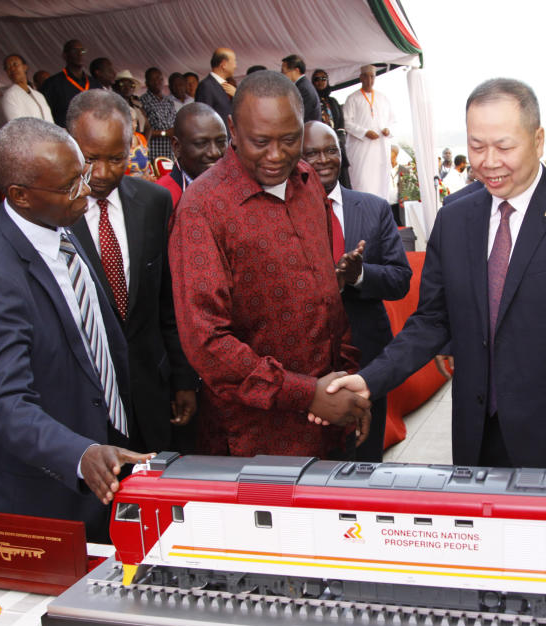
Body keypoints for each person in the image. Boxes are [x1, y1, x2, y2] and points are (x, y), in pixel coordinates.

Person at [320, 78, 546, 470]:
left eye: (504, 146)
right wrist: (369, 380)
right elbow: (432, 321)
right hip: (477, 437)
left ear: (537, 140)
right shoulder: (455, 219)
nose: (488, 161)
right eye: (476, 146)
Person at [0, 117, 153, 542]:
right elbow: (4, 404)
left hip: (103, 465)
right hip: (44, 498)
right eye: (71, 185)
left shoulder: (60, 224)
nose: (85, 190)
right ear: (20, 196)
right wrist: (79, 453)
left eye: (81, 174)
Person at [169, 70, 371, 458]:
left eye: (289, 140)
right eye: (260, 142)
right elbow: (206, 342)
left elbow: (326, 294)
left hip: (328, 420)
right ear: (233, 128)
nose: (276, 155)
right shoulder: (202, 209)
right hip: (255, 438)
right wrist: (305, 394)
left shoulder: (309, 181)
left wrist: (346, 384)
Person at [65, 90, 198, 454]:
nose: (104, 173)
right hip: (85, 402)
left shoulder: (153, 202)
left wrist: (182, 379)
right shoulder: (53, 215)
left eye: (117, 158)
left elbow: (166, 303)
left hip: (150, 394)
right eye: (90, 159)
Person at [302, 120, 411, 462]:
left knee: (366, 461)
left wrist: (359, 274)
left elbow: (400, 279)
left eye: (331, 150)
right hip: (307, 366)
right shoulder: (279, 213)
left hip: (366, 358)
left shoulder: (374, 208)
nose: (323, 159)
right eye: (312, 153)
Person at [157, 102, 227, 207]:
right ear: (177, 147)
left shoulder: (239, 188)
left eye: (221, 142)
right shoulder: (161, 198)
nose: (214, 153)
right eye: (201, 143)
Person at [344, 65, 395, 200]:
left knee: (381, 184)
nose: (369, 79)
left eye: (372, 76)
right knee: (363, 183)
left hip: (380, 150)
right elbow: (347, 123)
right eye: (366, 76)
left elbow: (392, 121)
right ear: (361, 77)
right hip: (361, 150)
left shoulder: (382, 98)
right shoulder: (352, 98)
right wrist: (365, 132)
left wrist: (387, 130)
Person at [41, 40, 93, 128]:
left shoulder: (94, 84)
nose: (79, 54)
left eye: (82, 51)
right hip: (65, 136)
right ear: (65, 55)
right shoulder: (52, 84)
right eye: (74, 50)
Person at [1, 54, 54, 123]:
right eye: (8, 67)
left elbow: (50, 121)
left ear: (25, 67)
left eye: (15, 64)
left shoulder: (39, 95)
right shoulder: (9, 95)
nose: (12, 69)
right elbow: (17, 125)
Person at [140, 67, 177, 161]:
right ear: (146, 83)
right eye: (153, 79)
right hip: (153, 154)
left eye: (159, 78)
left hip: (170, 153)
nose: (157, 82)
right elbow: (142, 131)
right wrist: (164, 133)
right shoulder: (142, 101)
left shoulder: (169, 102)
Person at [195, 47, 236, 128]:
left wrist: (237, 95)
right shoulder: (206, 86)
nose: (235, 66)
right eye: (234, 61)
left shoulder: (228, 86)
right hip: (217, 138)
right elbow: (203, 119)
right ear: (224, 64)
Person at [281, 54, 321, 123]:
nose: (282, 75)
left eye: (284, 72)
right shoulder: (302, 85)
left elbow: (297, 116)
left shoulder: (303, 89)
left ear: (296, 70)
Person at [112, 70, 146, 134]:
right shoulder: (112, 104)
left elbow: (148, 126)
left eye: (131, 85)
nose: (127, 87)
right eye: (122, 84)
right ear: (115, 86)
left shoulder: (137, 105)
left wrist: (144, 141)